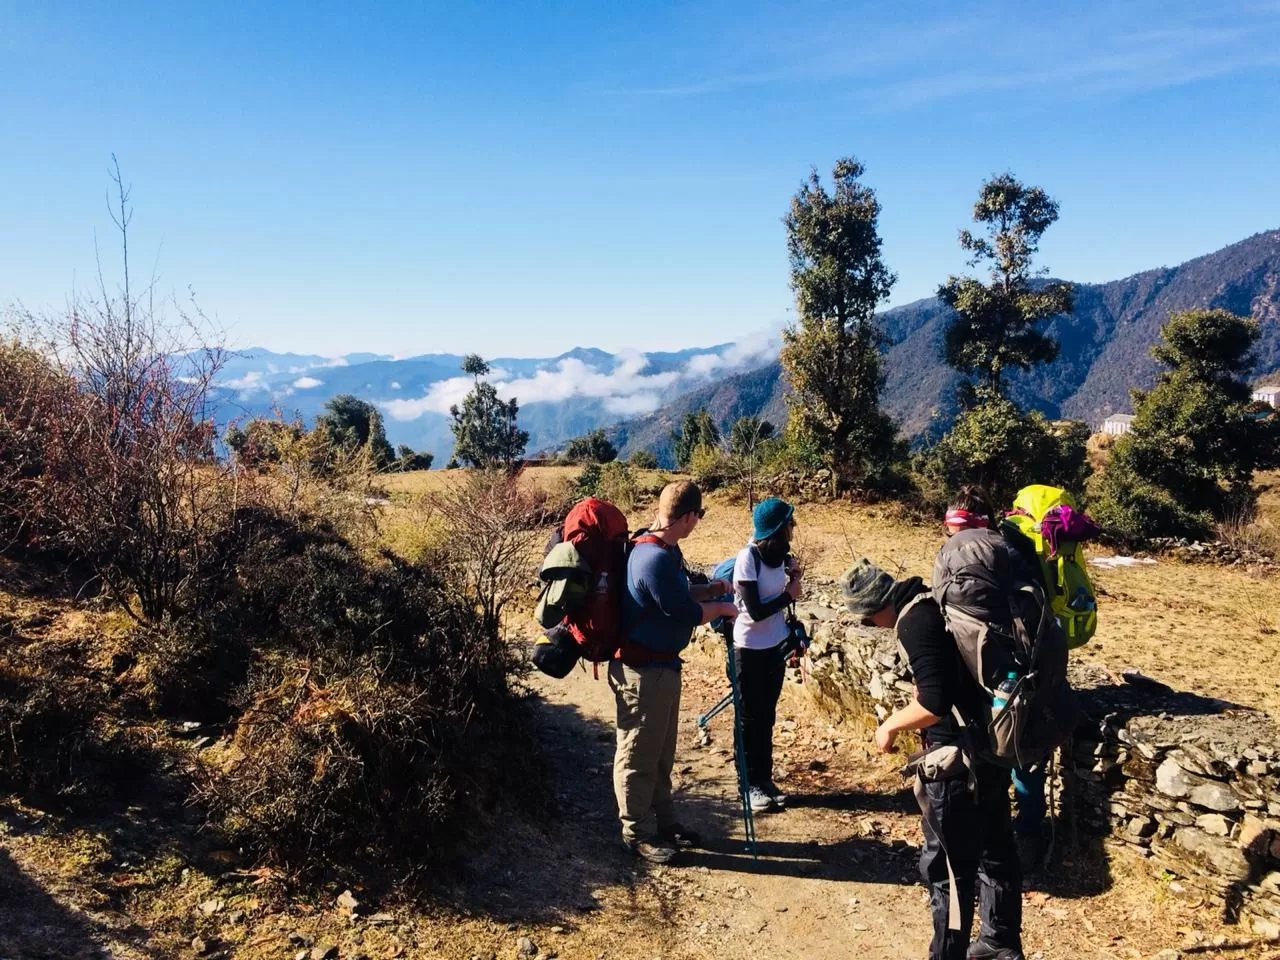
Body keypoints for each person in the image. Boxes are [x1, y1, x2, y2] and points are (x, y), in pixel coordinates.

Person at [845, 559, 1024, 960]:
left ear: (876, 608)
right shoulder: (932, 602)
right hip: (989, 747)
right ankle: (1000, 942)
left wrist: (889, 726)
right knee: (996, 849)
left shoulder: (913, 624)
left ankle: (947, 954)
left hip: (955, 762)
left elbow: (934, 701)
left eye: (870, 621)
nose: (875, 628)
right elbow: (942, 680)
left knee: (947, 871)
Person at [614, 480, 739, 864]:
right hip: (643, 670)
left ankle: (665, 823)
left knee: (661, 750)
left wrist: (714, 587)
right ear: (687, 516)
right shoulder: (652, 558)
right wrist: (721, 608)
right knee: (637, 752)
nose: (698, 522)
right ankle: (637, 833)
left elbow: (680, 593)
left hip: (662, 665)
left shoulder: (664, 550)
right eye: (698, 516)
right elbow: (683, 611)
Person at [944, 486, 1049, 875]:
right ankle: (1027, 834)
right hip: (1024, 670)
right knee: (1024, 754)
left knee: (992, 754)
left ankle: (1002, 835)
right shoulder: (1015, 549)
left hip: (985, 672)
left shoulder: (960, 553)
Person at [731, 497, 803, 813]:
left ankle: (764, 780)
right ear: (778, 528)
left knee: (767, 716)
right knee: (748, 719)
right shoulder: (748, 558)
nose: (794, 527)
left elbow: (786, 595)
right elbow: (756, 610)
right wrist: (789, 594)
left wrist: (795, 577)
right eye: (790, 522)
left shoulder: (780, 557)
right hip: (747, 649)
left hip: (773, 646)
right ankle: (747, 787)